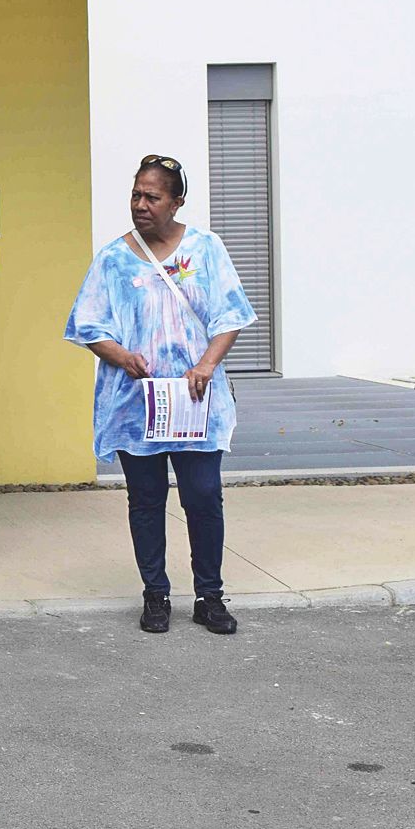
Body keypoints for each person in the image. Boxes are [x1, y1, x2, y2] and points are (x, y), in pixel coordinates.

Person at [63, 154, 256, 636]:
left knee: (204, 496)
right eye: (136, 195)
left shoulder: (206, 248)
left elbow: (230, 315)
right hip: (136, 402)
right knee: (145, 499)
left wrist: (208, 364)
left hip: (194, 399)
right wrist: (121, 356)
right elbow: (87, 325)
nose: (141, 205)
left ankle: (209, 596)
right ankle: (156, 594)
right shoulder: (112, 257)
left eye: (153, 197)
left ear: (177, 201)